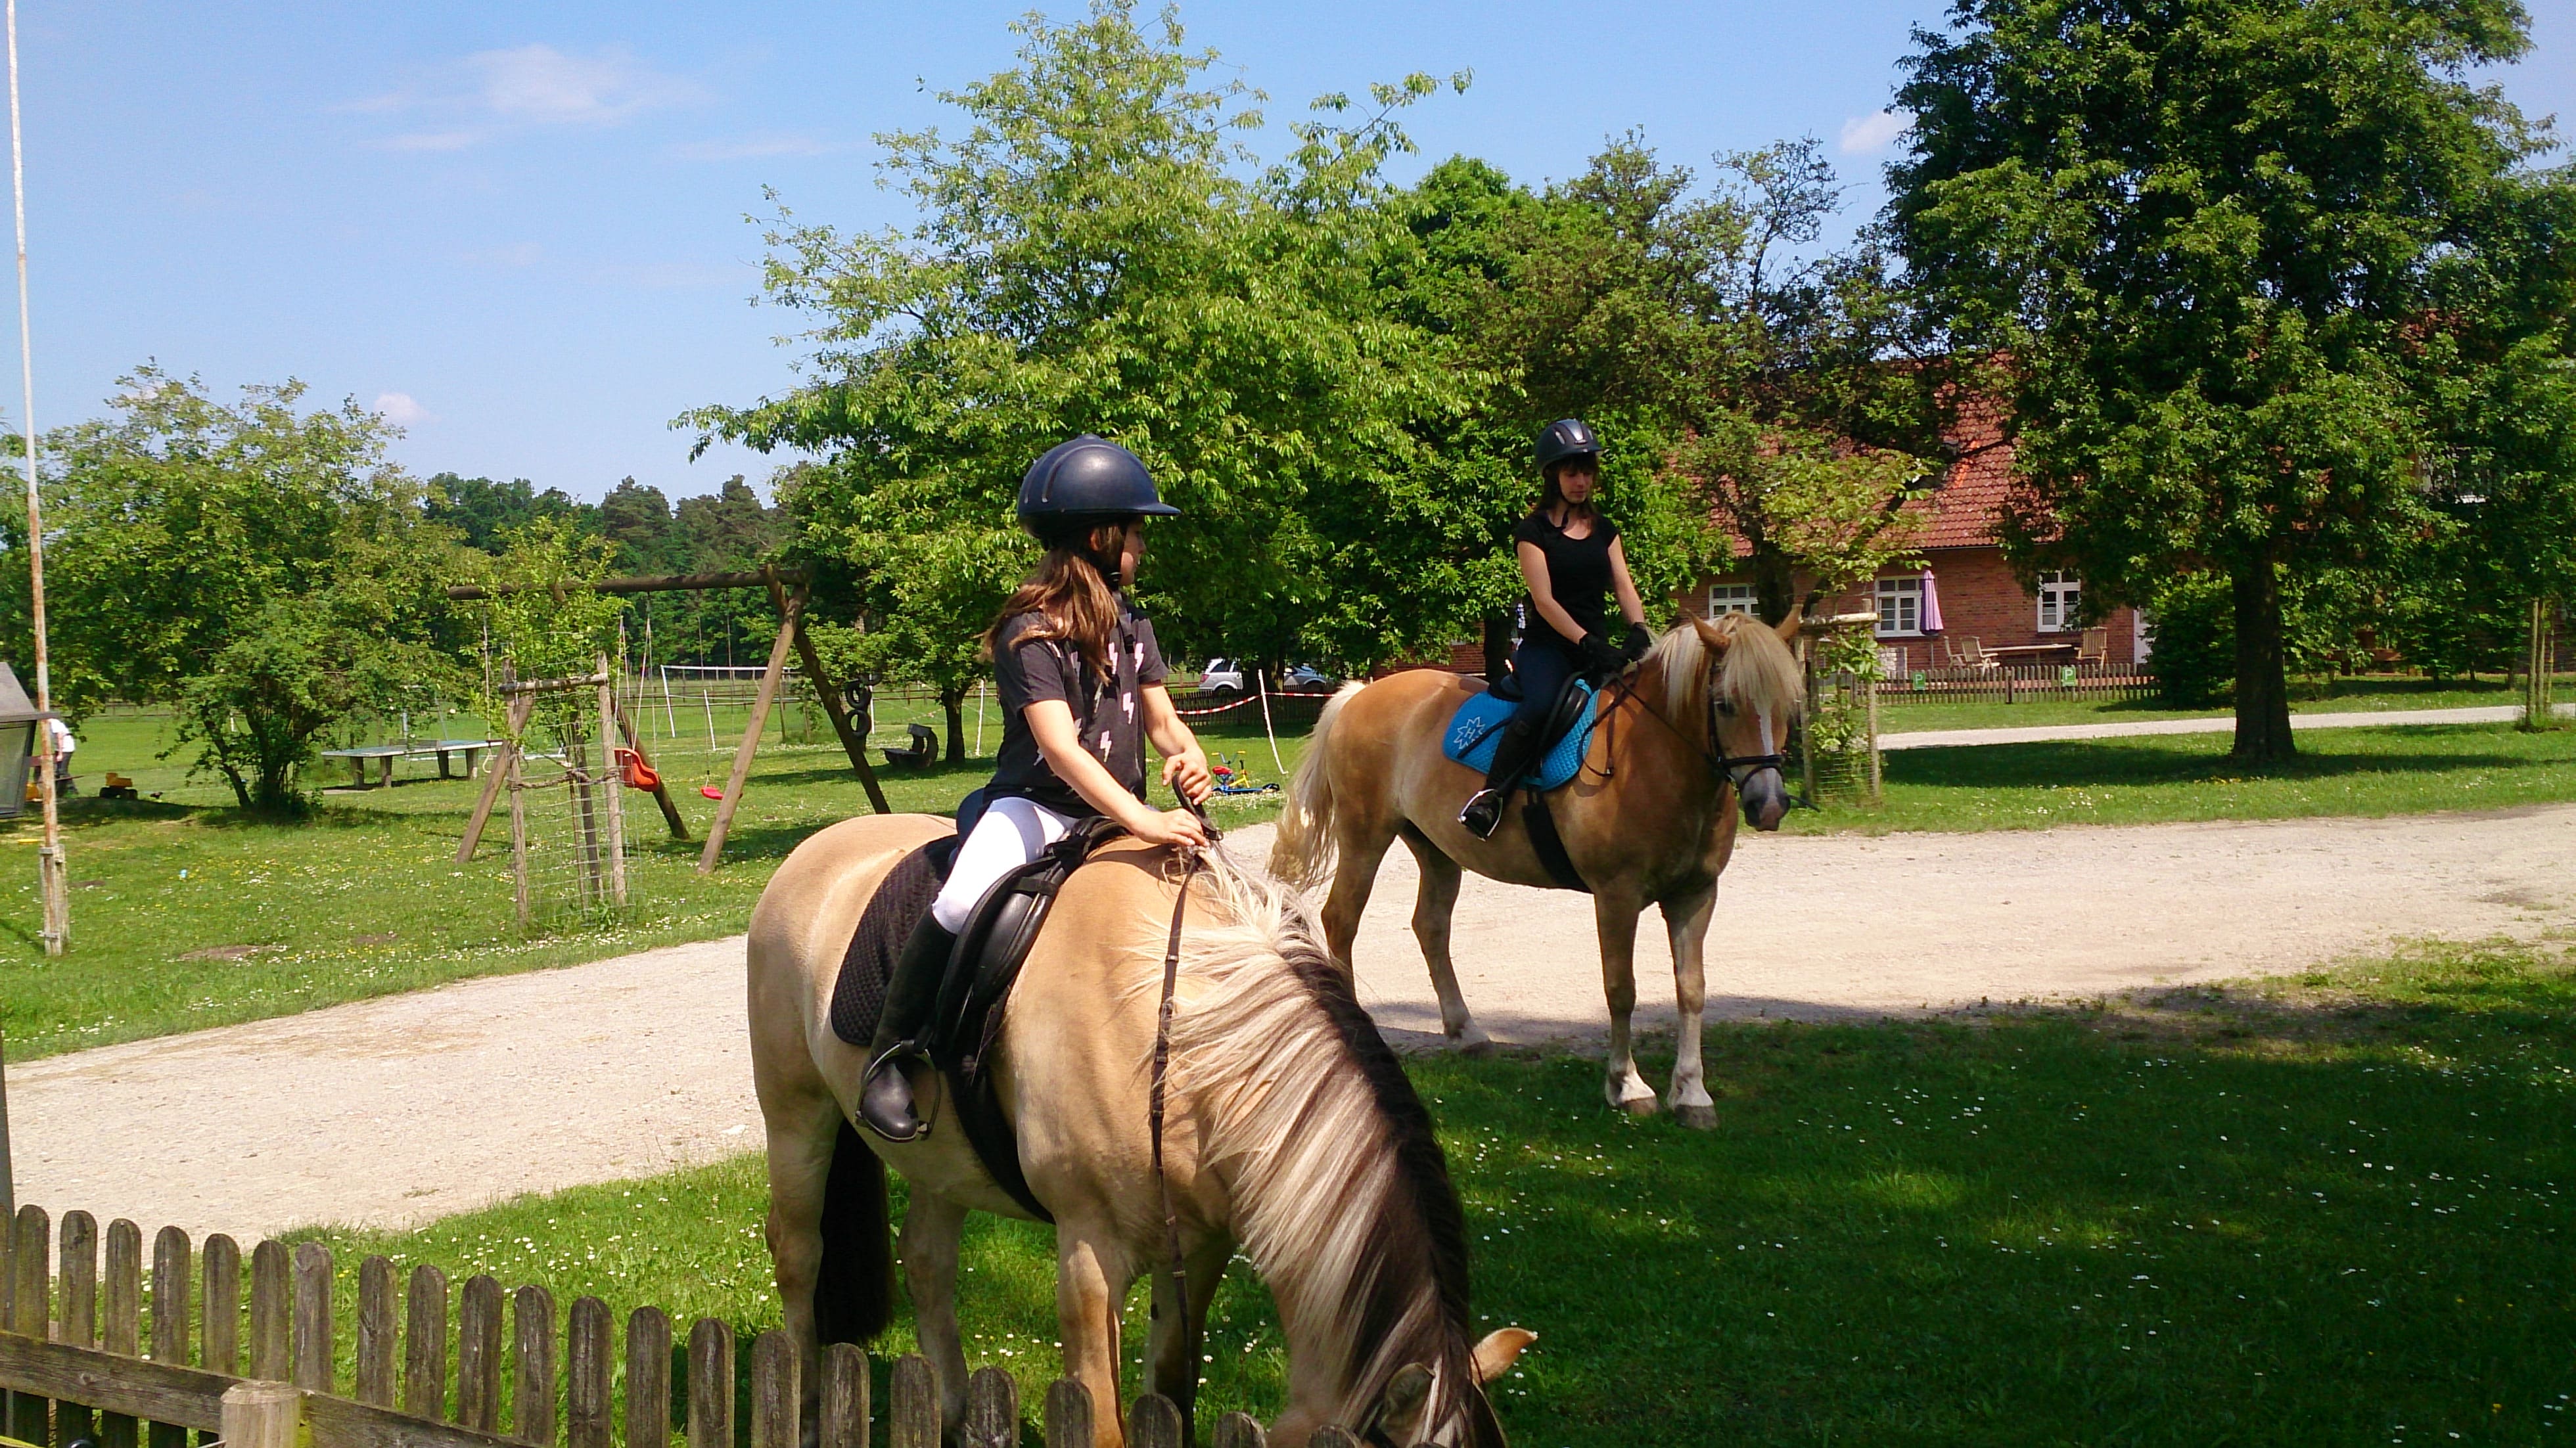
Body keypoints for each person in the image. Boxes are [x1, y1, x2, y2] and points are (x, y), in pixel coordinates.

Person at [860, 434, 1215, 1142]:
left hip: (1119, 811)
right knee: (961, 898)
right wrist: (1140, 817)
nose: (1144, 546)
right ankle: (893, 1054)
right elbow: (1058, 747)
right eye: (1137, 531)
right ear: (1099, 536)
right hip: (1037, 807)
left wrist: (1190, 758)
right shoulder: (1030, 630)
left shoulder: (1134, 622)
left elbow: (1163, 719)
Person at [1457, 418, 1651, 839]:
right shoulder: (1534, 531)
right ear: (1553, 476)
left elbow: (1623, 584)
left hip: (1599, 647)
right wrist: (1587, 641)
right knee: (1542, 705)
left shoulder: (1605, 530)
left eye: (1586, 472)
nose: (1581, 481)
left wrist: (1638, 627)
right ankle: (1492, 796)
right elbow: (1544, 601)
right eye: (1571, 472)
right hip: (1550, 649)